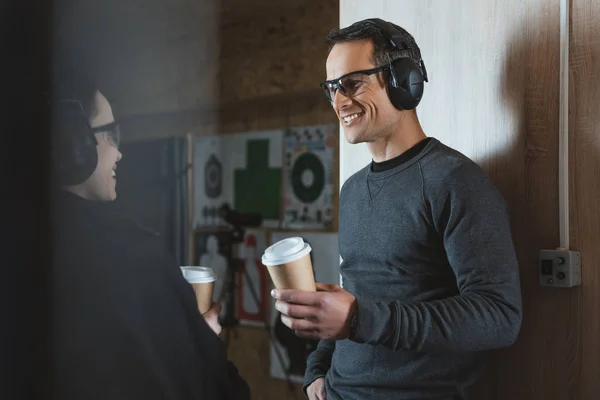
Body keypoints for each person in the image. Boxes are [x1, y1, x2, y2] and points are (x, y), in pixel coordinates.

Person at [272, 18, 522, 400]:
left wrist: (358, 318)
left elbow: (498, 317)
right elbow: (359, 292)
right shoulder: (353, 191)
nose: (339, 101)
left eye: (353, 83)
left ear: (404, 81)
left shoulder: (455, 181)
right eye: (331, 88)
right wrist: (317, 369)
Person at [50, 69, 250, 400]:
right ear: (74, 143)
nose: (118, 152)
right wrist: (204, 344)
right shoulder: (132, 257)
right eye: (109, 135)